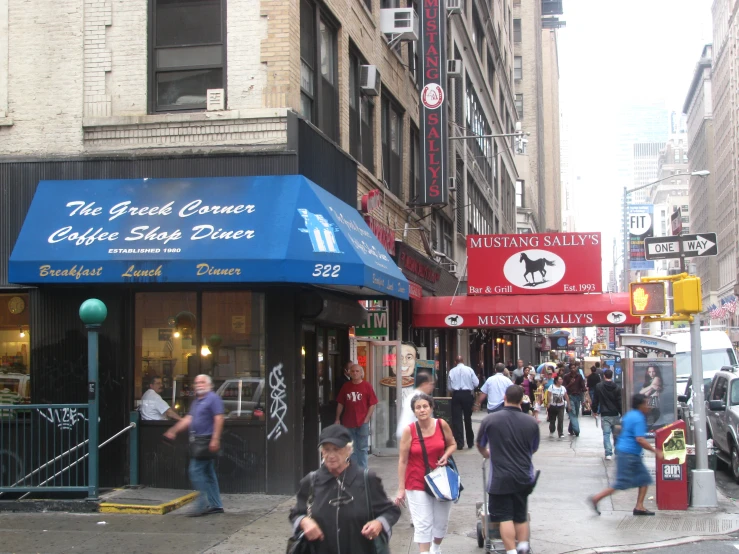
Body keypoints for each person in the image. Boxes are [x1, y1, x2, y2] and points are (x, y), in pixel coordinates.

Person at [290, 424, 400, 554]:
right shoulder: (311, 481)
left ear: (349, 450)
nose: (331, 455)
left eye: (336, 449)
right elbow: (296, 513)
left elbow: (391, 511)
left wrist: (379, 523)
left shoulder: (366, 479)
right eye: (327, 449)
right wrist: (304, 521)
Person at [477, 386, 539, 554]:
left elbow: (480, 444)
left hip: (500, 478)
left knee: (505, 517)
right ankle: (523, 547)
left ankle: (511, 551)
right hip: (523, 476)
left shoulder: (490, 420)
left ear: (504, 397)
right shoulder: (531, 422)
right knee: (520, 515)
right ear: (522, 400)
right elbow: (533, 448)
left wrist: (487, 453)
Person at [395, 393, 457, 554]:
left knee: (441, 522)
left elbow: (452, 444)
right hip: (416, 481)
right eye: (418, 407)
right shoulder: (409, 431)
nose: (422, 410)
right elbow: (402, 460)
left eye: (425, 406)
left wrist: (445, 455)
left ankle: (436, 548)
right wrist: (401, 489)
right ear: (414, 411)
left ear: (431, 408)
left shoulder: (441, 424)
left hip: (440, 480)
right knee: (423, 523)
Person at [588, 394, 664, 516]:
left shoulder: (629, 415)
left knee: (644, 479)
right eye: (646, 403)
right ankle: (596, 498)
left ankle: (639, 506)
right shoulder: (639, 418)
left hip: (628, 453)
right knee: (621, 483)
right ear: (640, 405)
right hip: (629, 455)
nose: (648, 406)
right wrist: (656, 452)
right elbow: (640, 439)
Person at [163, 374, 224, 516]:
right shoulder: (197, 401)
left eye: (202, 382)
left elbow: (219, 418)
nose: (199, 385)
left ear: (209, 385)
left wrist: (215, 439)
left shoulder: (213, 399)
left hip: (206, 441)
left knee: (195, 471)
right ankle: (216, 505)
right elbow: (188, 419)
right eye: (197, 382)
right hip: (198, 441)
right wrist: (173, 430)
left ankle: (202, 504)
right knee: (208, 474)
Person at [336, 364, 378, 469]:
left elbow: (372, 403)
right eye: (353, 371)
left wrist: (367, 418)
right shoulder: (346, 386)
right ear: (349, 373)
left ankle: (363, 471)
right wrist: (337, 418)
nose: (355, 373)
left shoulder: (367, 386)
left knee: (362, 448)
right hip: (348, 422)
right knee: (351, 448)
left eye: (357, 371)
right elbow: (340, 403)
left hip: (362, 422)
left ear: (361, 373)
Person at [447, 355, 479, 449]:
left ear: (455, 362)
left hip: (456, 395)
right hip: (467, 395)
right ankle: (470, 442)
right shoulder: (469, 370)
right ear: (463, 361)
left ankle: (459, 443)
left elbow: (449, 387)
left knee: (457, 419)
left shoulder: (452, 371)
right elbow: (476, 383)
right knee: (468, 418)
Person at [396, 371, 436, 440]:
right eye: (431, 384)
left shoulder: (411, 396)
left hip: (407, 434)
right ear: (424, 384)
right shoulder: (422, 399)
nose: (432, 387)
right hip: (413, 437)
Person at [592, 369, 622, 460]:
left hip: (605, 414)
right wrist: (622, 413)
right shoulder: (617, 387)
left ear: (604, 376)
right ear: (612, 376)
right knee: (616, 434)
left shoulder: (599, 386)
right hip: (615, 413)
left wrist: (594, 410)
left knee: (606, 434)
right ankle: (618, 451)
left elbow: (595, 399)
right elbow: (619, 401)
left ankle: (608, 453)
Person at [563, 363, 587, 437]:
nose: (573, 369)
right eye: (571, 368)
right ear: (569, 369)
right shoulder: (566, 377)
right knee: (572, 413)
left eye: (574, 368)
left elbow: (583, 387)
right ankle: (576, 430)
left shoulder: (579, 376)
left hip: (578, 397)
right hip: (570, 396)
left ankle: (571, 429)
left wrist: (585, 397)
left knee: (575, 413)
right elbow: (564, 388)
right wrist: (570, 383)